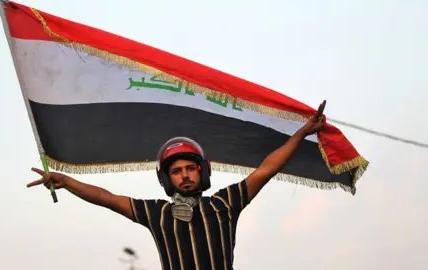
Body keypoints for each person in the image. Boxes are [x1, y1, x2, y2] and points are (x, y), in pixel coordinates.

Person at [27, 101, 327, 270]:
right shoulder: (158, 214)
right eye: (176, 171)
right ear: (167, 179)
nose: (184, 175)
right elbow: (106, 197)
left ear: (202, 172)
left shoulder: (225, 202)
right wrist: (66, 181)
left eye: (189, 168)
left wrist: (302, 133)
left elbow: (267, 169)